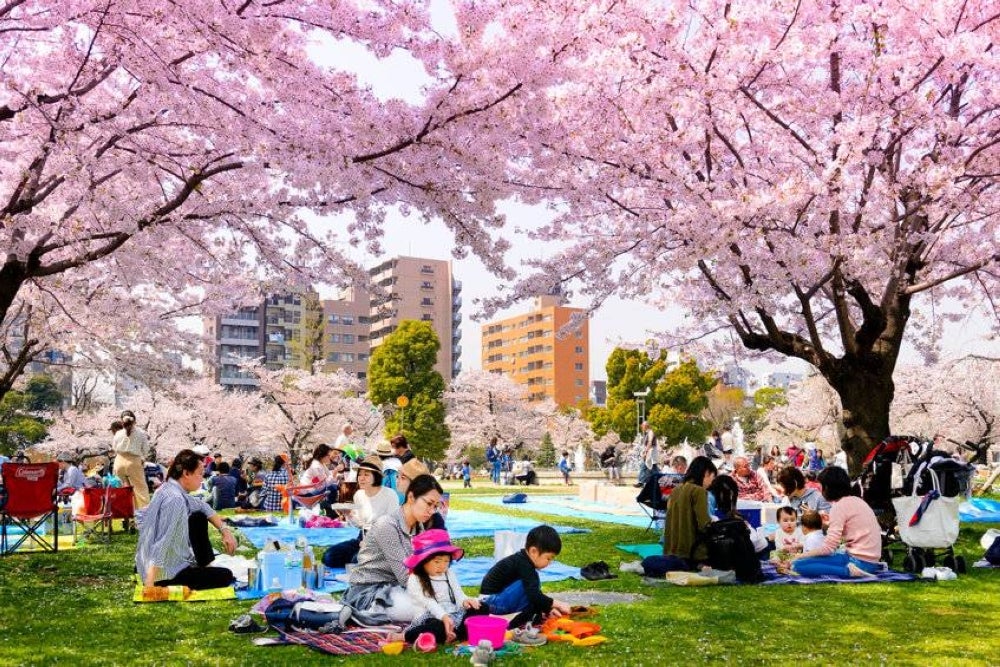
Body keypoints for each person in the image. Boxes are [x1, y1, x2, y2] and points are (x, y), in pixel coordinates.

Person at [340, 474, 445, 626]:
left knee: (440, 601)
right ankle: (370, 610)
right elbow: (405, 576)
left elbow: (421, 569)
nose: (431, 511)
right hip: (369, 591)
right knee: (425, 608)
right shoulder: (387, 525)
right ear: (411, 497)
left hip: (397, 588)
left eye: (435, 506)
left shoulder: (419, 527)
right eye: (429, 503)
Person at [135, 449, 237, 590]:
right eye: (200, 474)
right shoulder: (175, 499)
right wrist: (150, 584)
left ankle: (203, 566)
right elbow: (162, 543)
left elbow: (203, 507)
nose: (202, 479)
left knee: (198, 516)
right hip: (165, 573)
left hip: (151, 564)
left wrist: (225, 531)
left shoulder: (169, 489)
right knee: (226, 575)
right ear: (186, 473)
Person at [388, 529, 488, 646]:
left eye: (446, 561)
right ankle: (404, 636)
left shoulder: (449, 573)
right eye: (437, 562)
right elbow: (429, 603)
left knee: (482, 607)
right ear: (423, 561)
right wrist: (444, 617)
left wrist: (466, 601)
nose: (443, 566)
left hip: (453, 614)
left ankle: (453, 634)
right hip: (431, 617)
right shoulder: (415, 578)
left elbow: (458, 595)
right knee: (437, 627)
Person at [789, 467, 883, 578]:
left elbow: (828, 549)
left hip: (859, 562)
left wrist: (800, 556)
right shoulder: (857, 500)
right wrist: (830, 521)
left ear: (828, 487)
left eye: (821, 487)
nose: (820, 491)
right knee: (804, 562)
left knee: (798, 565)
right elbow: (852, 528)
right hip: (870, 561)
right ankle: (850, 570)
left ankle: (849, 572)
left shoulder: (839, 506)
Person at [480, 525, 572, 628]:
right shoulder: (524, 565)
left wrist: (547, 609)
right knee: (529, 588)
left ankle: (529, 617)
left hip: (497, 600)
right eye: (548, 558)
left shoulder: (523, 561)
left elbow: (534, 595)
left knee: (532, 591)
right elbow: (533, 595)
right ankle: (517, 621)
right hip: (492, 603)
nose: (549, 563)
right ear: (533, 551)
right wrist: (558, 604)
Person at [322, 455, 400, 568]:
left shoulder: (390, 495)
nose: (361, 478)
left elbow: (393, 528)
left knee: (356, 560)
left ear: (376, 476)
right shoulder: (359, 495)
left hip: (381, 543)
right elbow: (360, 523)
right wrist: (348, 514)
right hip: (362, 538)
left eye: (366, 475)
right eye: (360, 474)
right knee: (328, 557)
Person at [663, 456, 718, 566]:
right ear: (706, 473)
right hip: (691, 553)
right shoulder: (699, 491)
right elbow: (704, 524)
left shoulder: (676, 490)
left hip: (671, 551)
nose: (711, 483)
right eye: (712, 478)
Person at [112, 410, 151, 509]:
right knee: (140, 490)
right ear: (134, 421)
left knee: (122, 490)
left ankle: (124, 514)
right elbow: (146, 449)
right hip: (133, 461)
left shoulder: (118, 433)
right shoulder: (141, 433)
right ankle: (144, 514)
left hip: (119, 462)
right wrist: (142, 458)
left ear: (121, 422)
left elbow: (114, 448)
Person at [636, 421, 658, 487]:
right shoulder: (647, 433)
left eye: (642, 426)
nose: (641, 427)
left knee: (651, 467)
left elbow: (650, 442)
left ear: (646, 426)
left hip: (650, 452)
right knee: (646, 466)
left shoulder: (650, 432)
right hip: (650, 452)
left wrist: (646, 451)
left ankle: (641, 482)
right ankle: (641, 482)